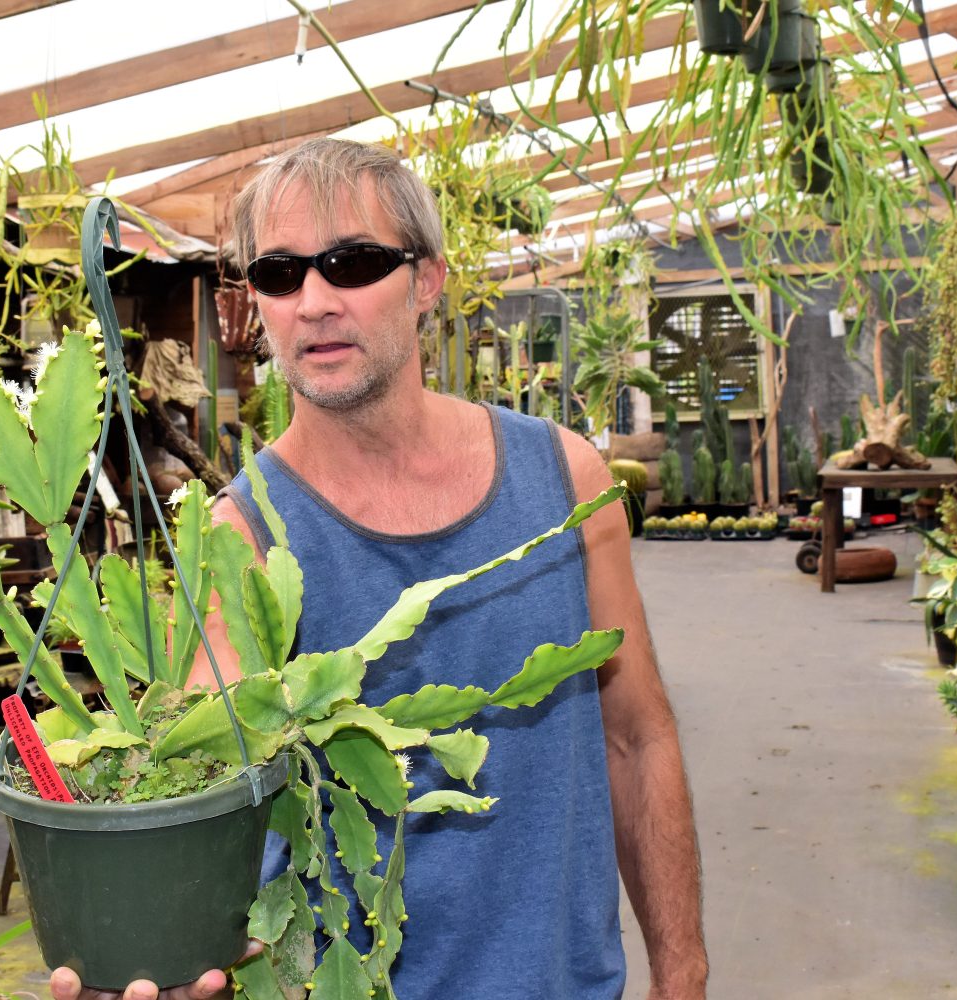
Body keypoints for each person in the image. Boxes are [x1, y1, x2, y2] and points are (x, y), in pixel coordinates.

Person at [50, 138, 707, 1000]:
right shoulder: (237, 545)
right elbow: (206, 822)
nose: (315, 301)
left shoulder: (565, 479)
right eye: (280, 274)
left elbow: (636, 735)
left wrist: (683, 970)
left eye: (352, 263)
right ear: (258, 304)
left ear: (427, 281)